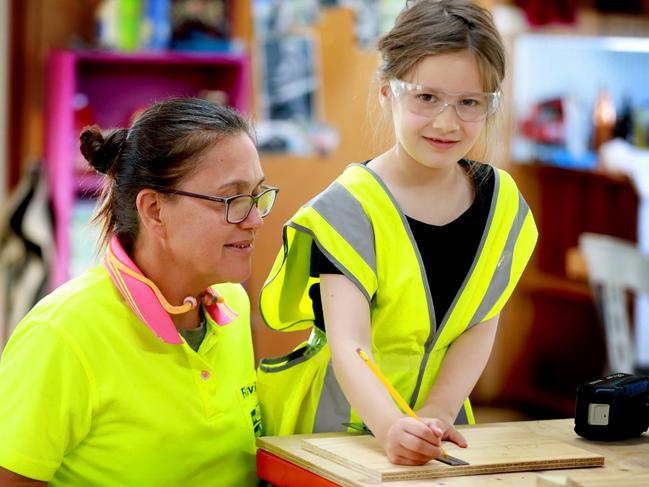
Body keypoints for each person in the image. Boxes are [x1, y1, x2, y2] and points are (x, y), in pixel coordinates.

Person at [257, 0, 538, 467]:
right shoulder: (347, 208)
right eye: (426, 97)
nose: (447, 122)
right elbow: (351, 344)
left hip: (437, 431)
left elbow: (480, 321)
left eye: (469, 102)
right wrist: (390, 426)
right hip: (340, 431)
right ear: (388, 92)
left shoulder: (501, 202)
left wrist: (437, 411)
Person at [0, 97, 278, 485]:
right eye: (232, 199)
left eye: (257, 196)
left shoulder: (233, 301)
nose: (254, 220)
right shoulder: (61, 333)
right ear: (153, 210)